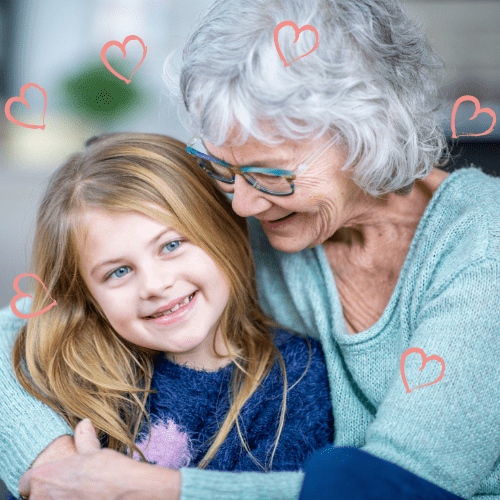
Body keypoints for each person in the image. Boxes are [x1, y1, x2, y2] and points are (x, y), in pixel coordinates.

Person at [0, 0, 499, 498]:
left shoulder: (482, 245)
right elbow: (15, 333)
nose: (240, 204)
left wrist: (152, 488)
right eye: (222, 168)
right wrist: (59, 464)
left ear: (367, 134)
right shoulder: (247, 218)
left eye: (268, 175)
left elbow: (406, 486)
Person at [2, 133, 333, 500]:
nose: (155, 285)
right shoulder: (73, 370)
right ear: (86, 295)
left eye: (171, 246)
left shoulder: (295, 379)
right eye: (118, 272)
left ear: (222, 231)